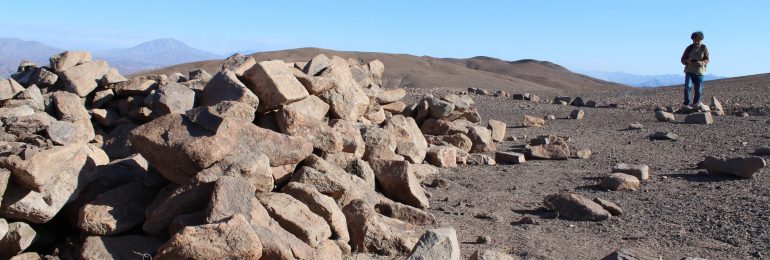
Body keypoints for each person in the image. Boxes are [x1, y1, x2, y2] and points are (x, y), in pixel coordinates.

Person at [680, 31, 710, 107]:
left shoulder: (704, 48)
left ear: (701, 39)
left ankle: (695, 104)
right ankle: (686, 104)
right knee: (687, 87)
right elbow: (682, 59)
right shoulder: (689, 48)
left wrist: (702, 63)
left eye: (698, 40)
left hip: (699, 72)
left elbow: (707, 59)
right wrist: (687, 61)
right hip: (689, 71)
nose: (696, 42)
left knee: (698, 91)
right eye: (695, 40)